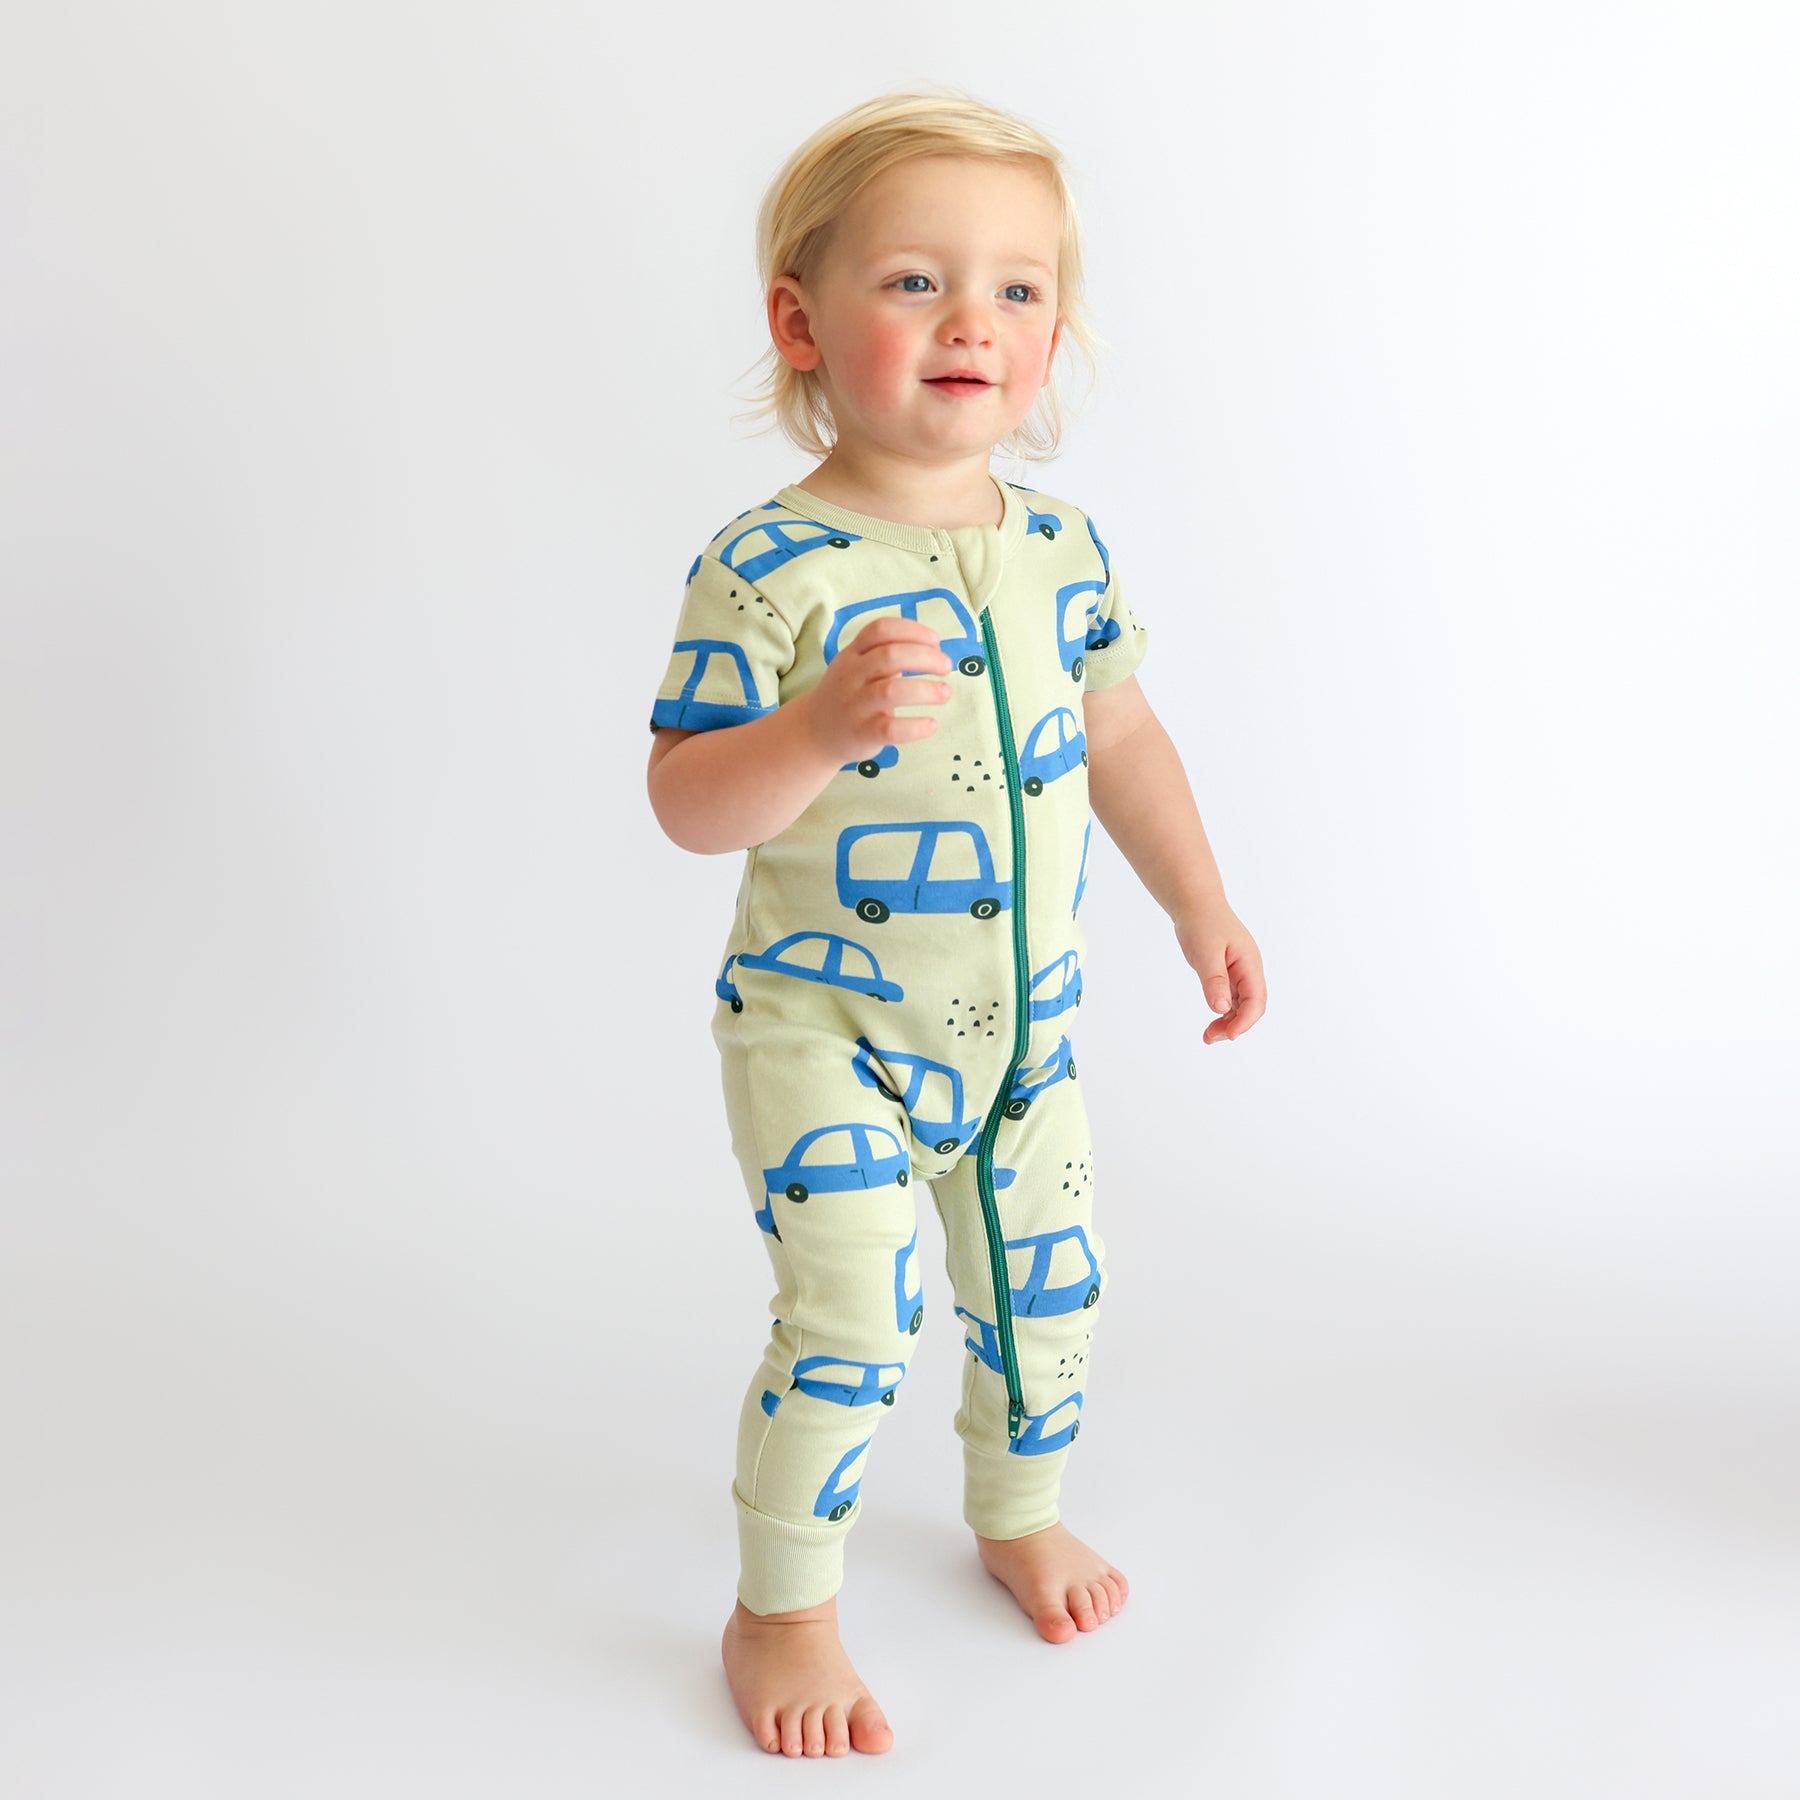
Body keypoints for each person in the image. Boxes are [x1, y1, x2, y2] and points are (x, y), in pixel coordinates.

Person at [644, 88, 1266, 1759]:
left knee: (1046, 1296)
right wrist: (813, 731)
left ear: (1055, 334)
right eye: (916, 281)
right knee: (853, 1323)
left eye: (1017, 287)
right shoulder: (770, 567)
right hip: (823, 1031)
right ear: (801, 324)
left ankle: (1017, 1510)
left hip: (1023, 1039)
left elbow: (1121, 736)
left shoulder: (1061, 550)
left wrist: (1201, 901)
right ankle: (781, 1610)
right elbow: (687, 800)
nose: (971, 320)